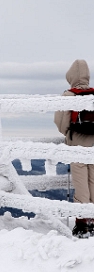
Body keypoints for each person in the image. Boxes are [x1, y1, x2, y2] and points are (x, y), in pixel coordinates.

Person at [54, 59, 94, 237]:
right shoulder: (93, 95)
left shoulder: (69, 95)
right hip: (93, 143)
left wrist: (69, 134)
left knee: (80, 181)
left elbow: (60, 123)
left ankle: (84, 222)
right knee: (92, 179)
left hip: (77, 143)